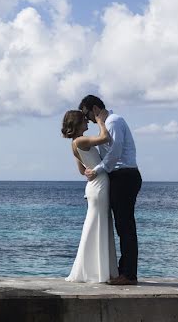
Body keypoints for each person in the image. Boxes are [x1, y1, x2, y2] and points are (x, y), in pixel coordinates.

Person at [79, 95, 142, 286]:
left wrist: (96, 171)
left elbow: (115, 153)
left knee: (125, 226)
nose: (87, 119)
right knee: (122, 226)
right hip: (119, 176)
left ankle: (129, 274)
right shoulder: (106, 124)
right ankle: (124, 271)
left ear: (95, 109)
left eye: (87, 113)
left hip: (124, 176)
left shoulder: (113, 122)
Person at [62, 109, 117, 283]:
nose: (88, 122)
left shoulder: (74, 144)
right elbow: (105, 138)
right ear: (78, 124)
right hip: (99, 185)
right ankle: (97, 271)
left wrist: (89, 169)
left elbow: (81, 170)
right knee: (98, 225)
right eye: (84, 120)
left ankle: (94, 270)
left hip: (93, 185)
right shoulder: (81, 140)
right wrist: (101, 121)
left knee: (95, 224)